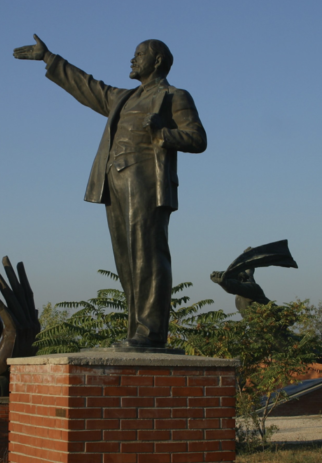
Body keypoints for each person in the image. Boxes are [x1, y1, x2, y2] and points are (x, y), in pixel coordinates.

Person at [14, 35, 206, 348]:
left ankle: (151, 332)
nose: (133, 59)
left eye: (140, 54)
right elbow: (87, 86)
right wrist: (50, 58)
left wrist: (162, 131)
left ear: (157, 61)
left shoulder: (174, 96)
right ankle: (137, 331)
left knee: (148, 257)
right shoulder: (122, 97)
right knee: (127, 262)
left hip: (146, 182)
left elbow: (197, 139)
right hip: (114, 183)